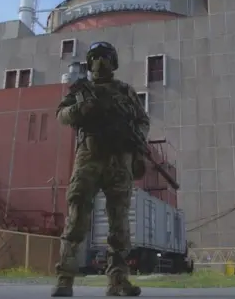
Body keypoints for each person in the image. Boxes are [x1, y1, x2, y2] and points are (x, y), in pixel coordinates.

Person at [51, 41, 149, 297]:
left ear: (113, 62)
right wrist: (82, 108)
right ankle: (64, 280)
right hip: (90, 157)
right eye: (95, 57)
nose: (100, 62)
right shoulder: (82, 90)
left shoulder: (125, 91)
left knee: (119, 224)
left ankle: (117, 281)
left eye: (105, 57)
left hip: (119, 160)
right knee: (77, 217)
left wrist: (136, 140)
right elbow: (61, 115)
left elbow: (142, 121)